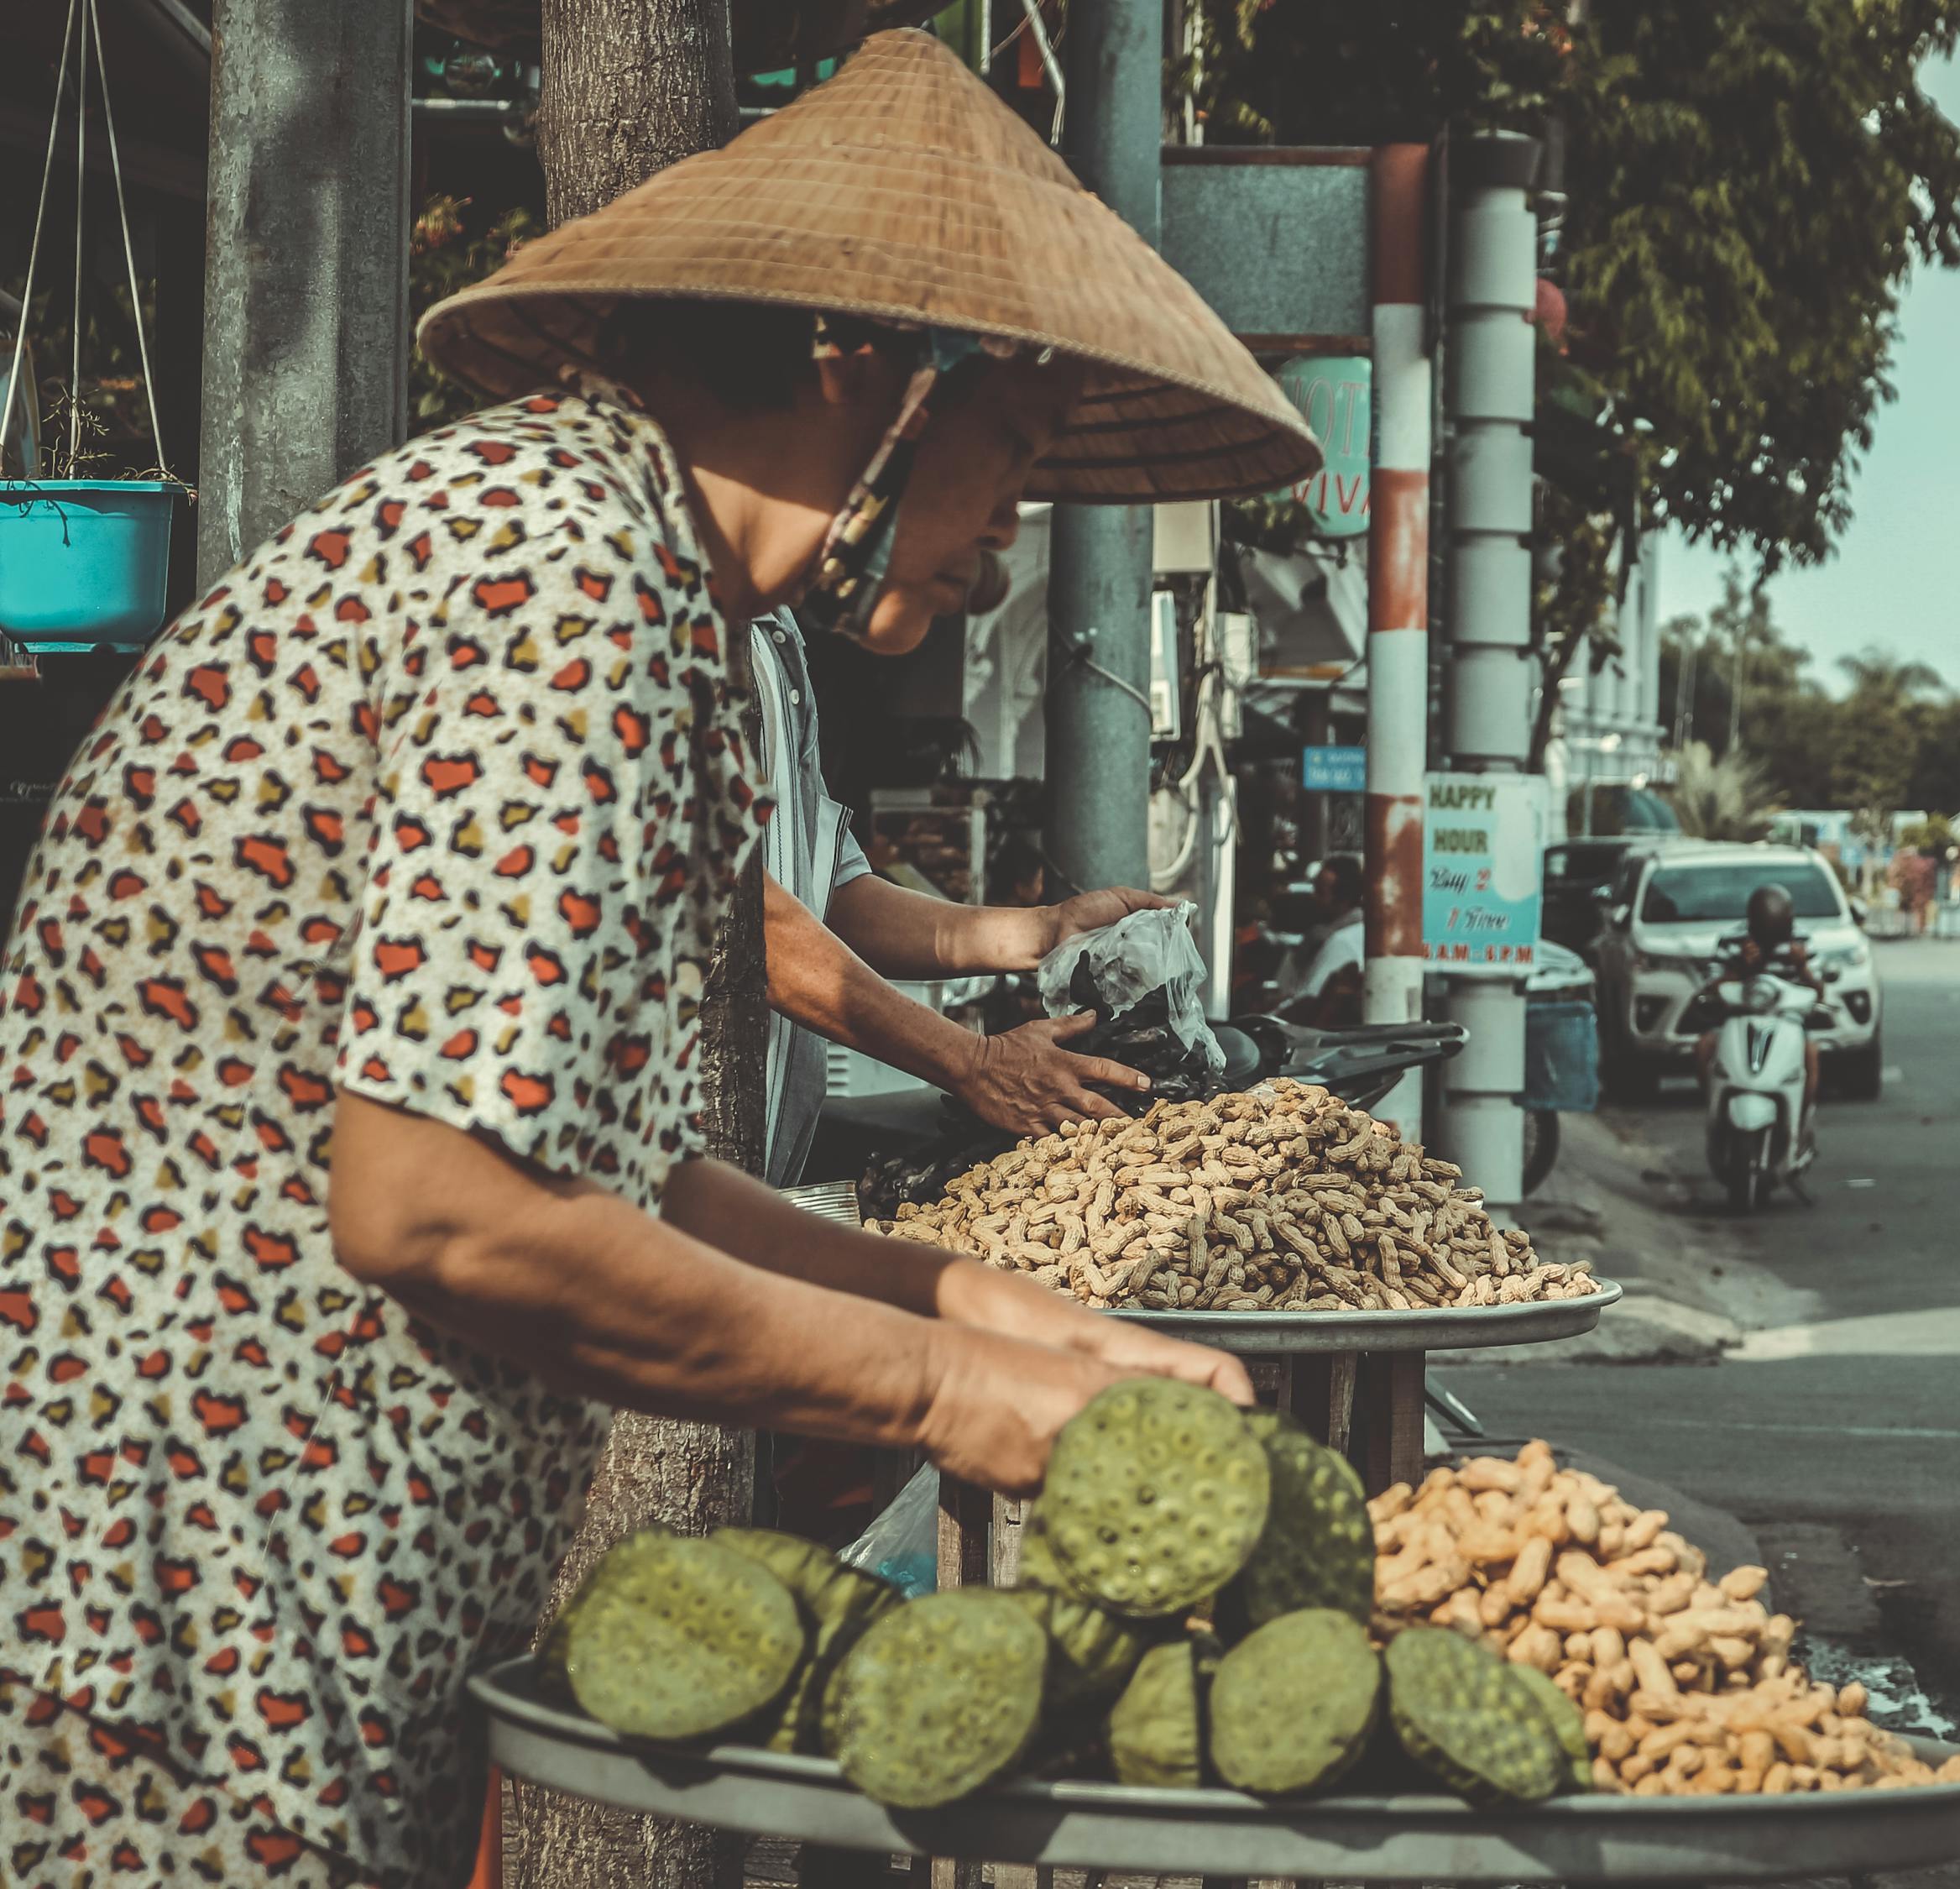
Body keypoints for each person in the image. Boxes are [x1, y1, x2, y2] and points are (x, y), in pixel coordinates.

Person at [0, 34, 1317, 1889]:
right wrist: (941, 1396)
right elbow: (440, 1209)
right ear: (877, 376)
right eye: (1015, 459)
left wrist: (969, 1307)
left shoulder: (636, 580)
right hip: (164, 1656)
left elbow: (601, 1181)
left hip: (264, 1631)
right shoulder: (568, 577)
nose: (1014, 544)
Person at [751, 618, 1147, 1187]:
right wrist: (972, 1062)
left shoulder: (778, 636)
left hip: (751, 1172)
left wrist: (1044, 931)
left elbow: (830, 894)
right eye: (985, 529)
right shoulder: (647, 607)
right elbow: (739, 920)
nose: (989, 574)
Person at [1694, 882, 1826, 1105]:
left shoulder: (1801, 941)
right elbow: (1712, 986)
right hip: (1738, 1017)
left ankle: (1800, 1114)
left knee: (1810, 1054)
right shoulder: (1732, 940)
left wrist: (1802, 967)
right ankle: (1716, 1106)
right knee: (1704, 1047)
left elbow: (1819, 992)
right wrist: (1741, 967)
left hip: (1787, 1020)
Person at [1288, 854, 1367, 1024]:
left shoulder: (1341, 941)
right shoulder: (1322, 935)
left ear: (1343, 898)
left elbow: (1308, 999)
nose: (1313, 898)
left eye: (1321, 892)